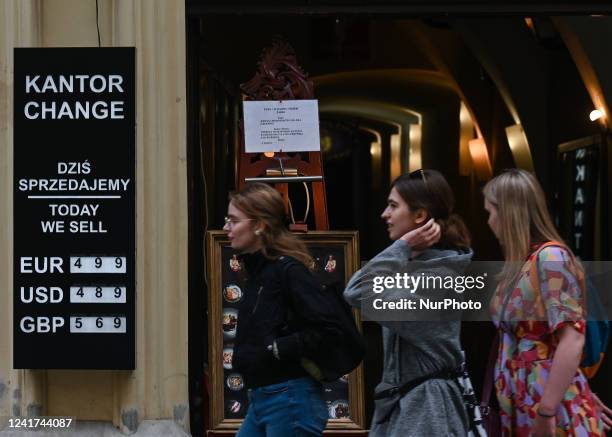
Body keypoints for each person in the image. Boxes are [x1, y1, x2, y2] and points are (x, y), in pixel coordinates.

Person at [344, 169, 481, 437]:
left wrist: (403, 244)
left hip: (427, 414)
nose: (385, 214)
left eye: (393, 206)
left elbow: (358, 291)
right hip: (412, 408)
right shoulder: (417, 272)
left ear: (420, 216)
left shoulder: (436, 282)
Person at [483, 169, 606, 437]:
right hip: (524, 408)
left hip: (546, 414)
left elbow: (572, 338)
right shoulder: (521, 264)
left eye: (490, 212)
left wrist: (548, 409)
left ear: (508, 213)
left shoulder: (551, 258)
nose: (489, 221)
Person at [224, 182, 341, 437]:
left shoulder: (288, 270)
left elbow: (330, 327)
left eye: (233, 220)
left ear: (259, 225)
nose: (226, 228)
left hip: (289, 398)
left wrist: (283, 347)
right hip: (263, 397)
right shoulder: (259, 273)